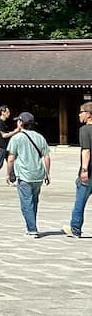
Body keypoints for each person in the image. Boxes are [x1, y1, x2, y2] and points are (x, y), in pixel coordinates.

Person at [5, 111, 50, 237]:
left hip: (24, 175)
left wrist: (8, 174)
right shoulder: (40, 137)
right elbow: (46, 156)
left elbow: (11, 158)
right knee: (34, 202)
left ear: (21, 123)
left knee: (26, 203)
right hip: (38, 175)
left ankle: (32, 229)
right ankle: (31, 225)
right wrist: (48, 173)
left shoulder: (17, 138)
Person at [64, 101, 92, 238]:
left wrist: (84, 170)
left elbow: (86, 150)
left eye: (81, 112)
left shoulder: (85, 130)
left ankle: (75, 229)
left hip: (89, 173)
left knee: (80, 202)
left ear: (88, 114)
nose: (79, 115)